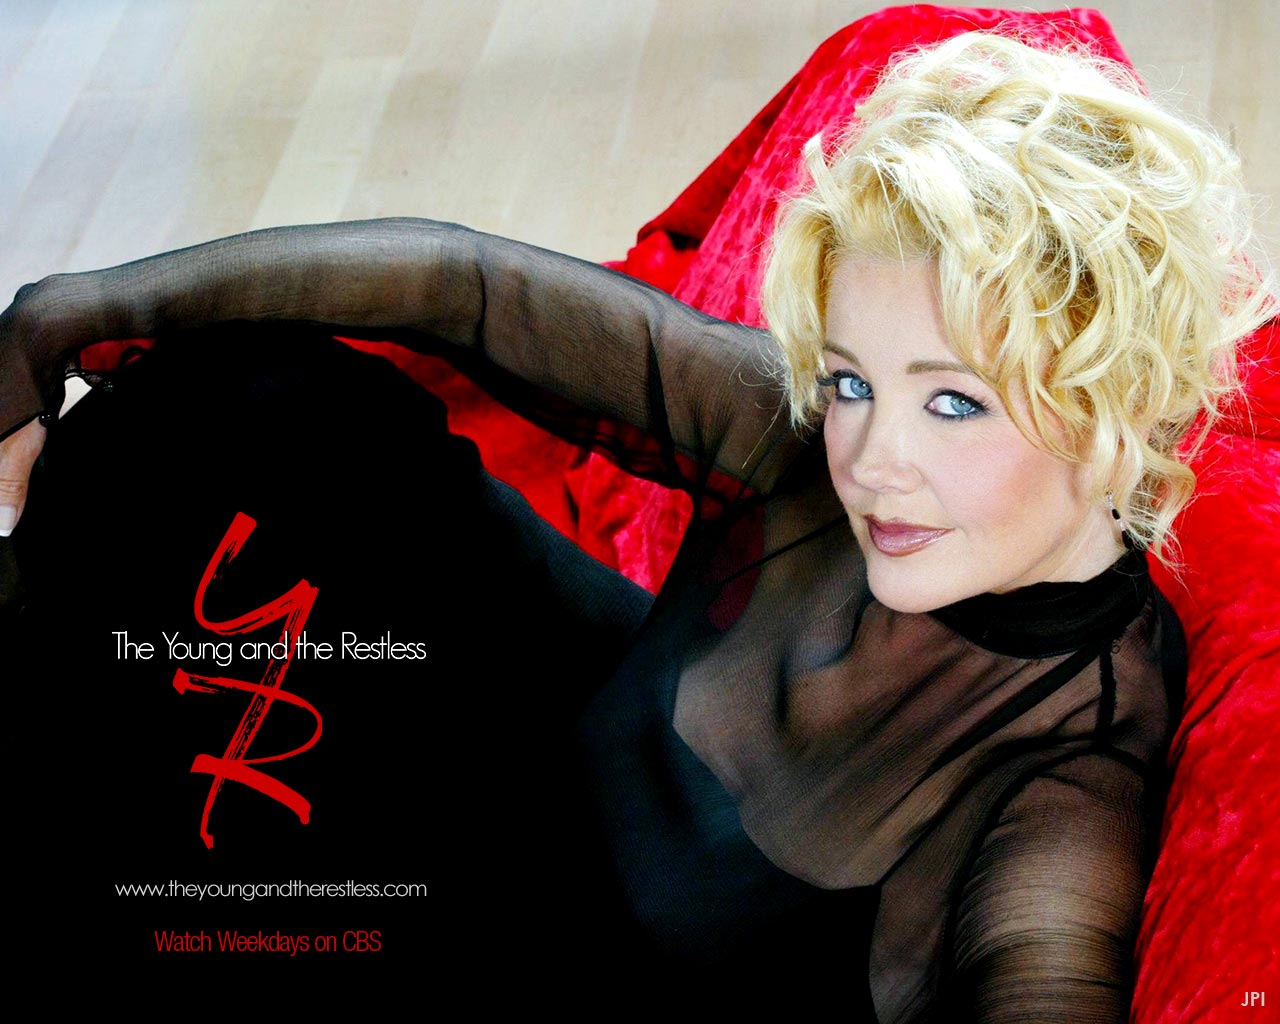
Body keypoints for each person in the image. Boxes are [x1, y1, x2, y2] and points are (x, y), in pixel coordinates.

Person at [0, 30, 1271, 1020]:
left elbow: (1042, 963)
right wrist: (57, 315)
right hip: (531, 757)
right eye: (849, 381)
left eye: (953, 403)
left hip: (505, 950)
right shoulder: (816, 449)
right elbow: (465, 286)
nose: (873, 460)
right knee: (258, 405)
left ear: (1116, 408)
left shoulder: (1069, 769)